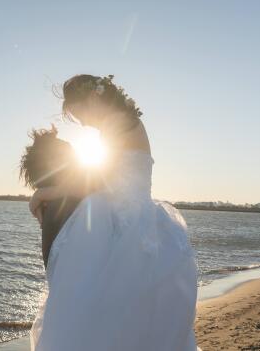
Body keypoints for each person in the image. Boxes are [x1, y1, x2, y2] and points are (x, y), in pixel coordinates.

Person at [28, 74, 198, 350]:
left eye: (78, 113)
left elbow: (100, 179)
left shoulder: (116, 125)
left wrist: (49, 192)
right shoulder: (126, 122)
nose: (81, 122)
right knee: (125, 315)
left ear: (93, 98)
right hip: (135, 218)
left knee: (88, 310)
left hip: (122, 223)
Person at [19, 126, 84, 267]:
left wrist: (40, 195)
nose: (71, 148)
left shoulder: (55, 204)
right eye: (66, 150)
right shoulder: (66, 207)